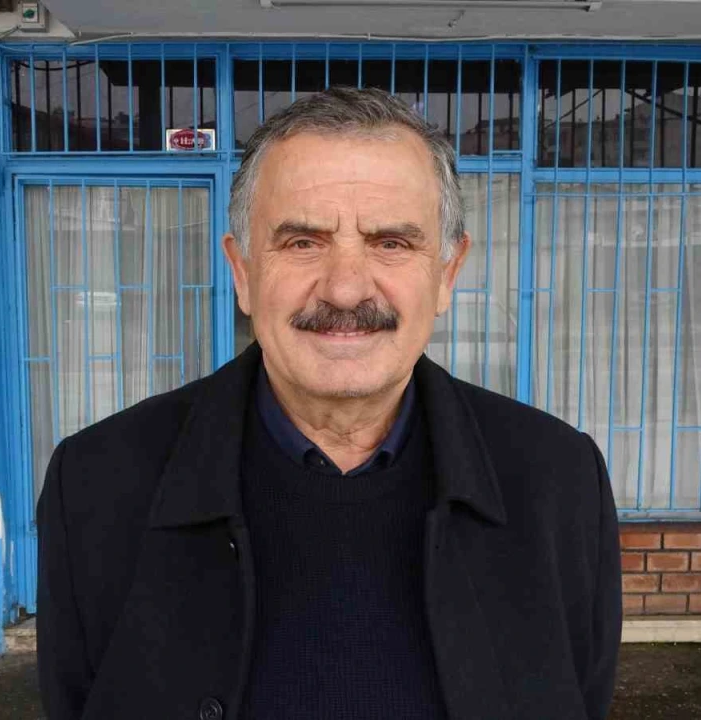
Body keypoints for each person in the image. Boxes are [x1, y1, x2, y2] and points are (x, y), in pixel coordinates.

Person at [37, 86, 621, 720]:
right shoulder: (96, 486)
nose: (345, 289)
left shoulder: (560, 483)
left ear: (448, 274)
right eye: (302, 242)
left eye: (391, 243)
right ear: (242, 273)